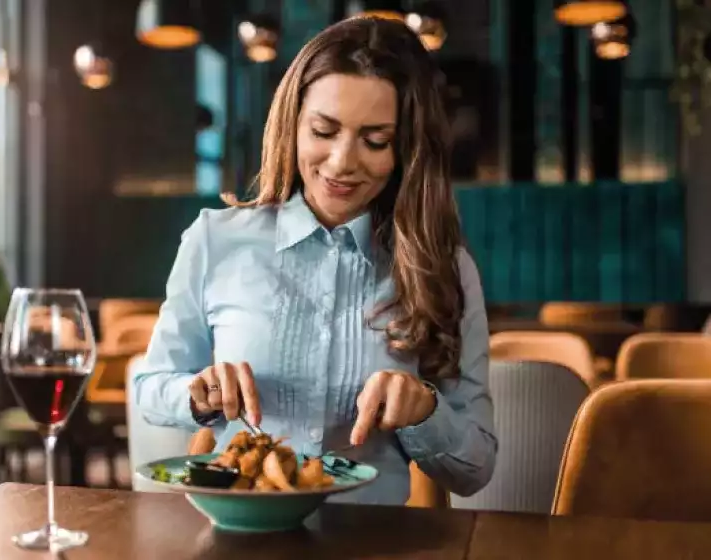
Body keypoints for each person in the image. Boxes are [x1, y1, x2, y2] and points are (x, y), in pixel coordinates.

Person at [132, 15, 496, 504]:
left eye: (375, 141)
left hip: (372, 544)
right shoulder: (214, 240)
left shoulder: (444, 267)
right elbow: (151, 387)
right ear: (294, 124)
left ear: (408, 150)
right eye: (323, 130)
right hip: (239, 539)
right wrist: (195, 395)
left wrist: (425, 411)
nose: (343, 161)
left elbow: (475, 468)